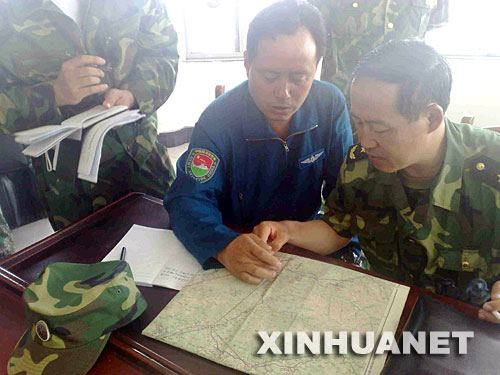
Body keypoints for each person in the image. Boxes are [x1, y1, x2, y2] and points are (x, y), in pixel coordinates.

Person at [254, 40, 500, 324]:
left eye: (380, 128)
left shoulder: (492, 169)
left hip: (466, 328)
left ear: (431, 118)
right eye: (358, 122)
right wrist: (287, 230)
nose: (366, 140)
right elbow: (338, 228)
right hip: (382, 314)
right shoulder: (362, 162)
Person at [164, 0, 354, 284]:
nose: (284, 93)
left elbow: (348, 194)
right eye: (270, 76)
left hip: (302, 241)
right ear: (247, 63)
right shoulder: (218, 119)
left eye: (299, 77)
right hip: (239, 239)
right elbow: (187, 198)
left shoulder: (330, 105)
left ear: (316, 67)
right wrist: (223, 245)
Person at [0, 0, 178, 230]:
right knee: (87, 262)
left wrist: (134, 93)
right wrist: (53, 94)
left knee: (168, 251)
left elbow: (164, 56)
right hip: (67, 188)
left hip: (142, 164)